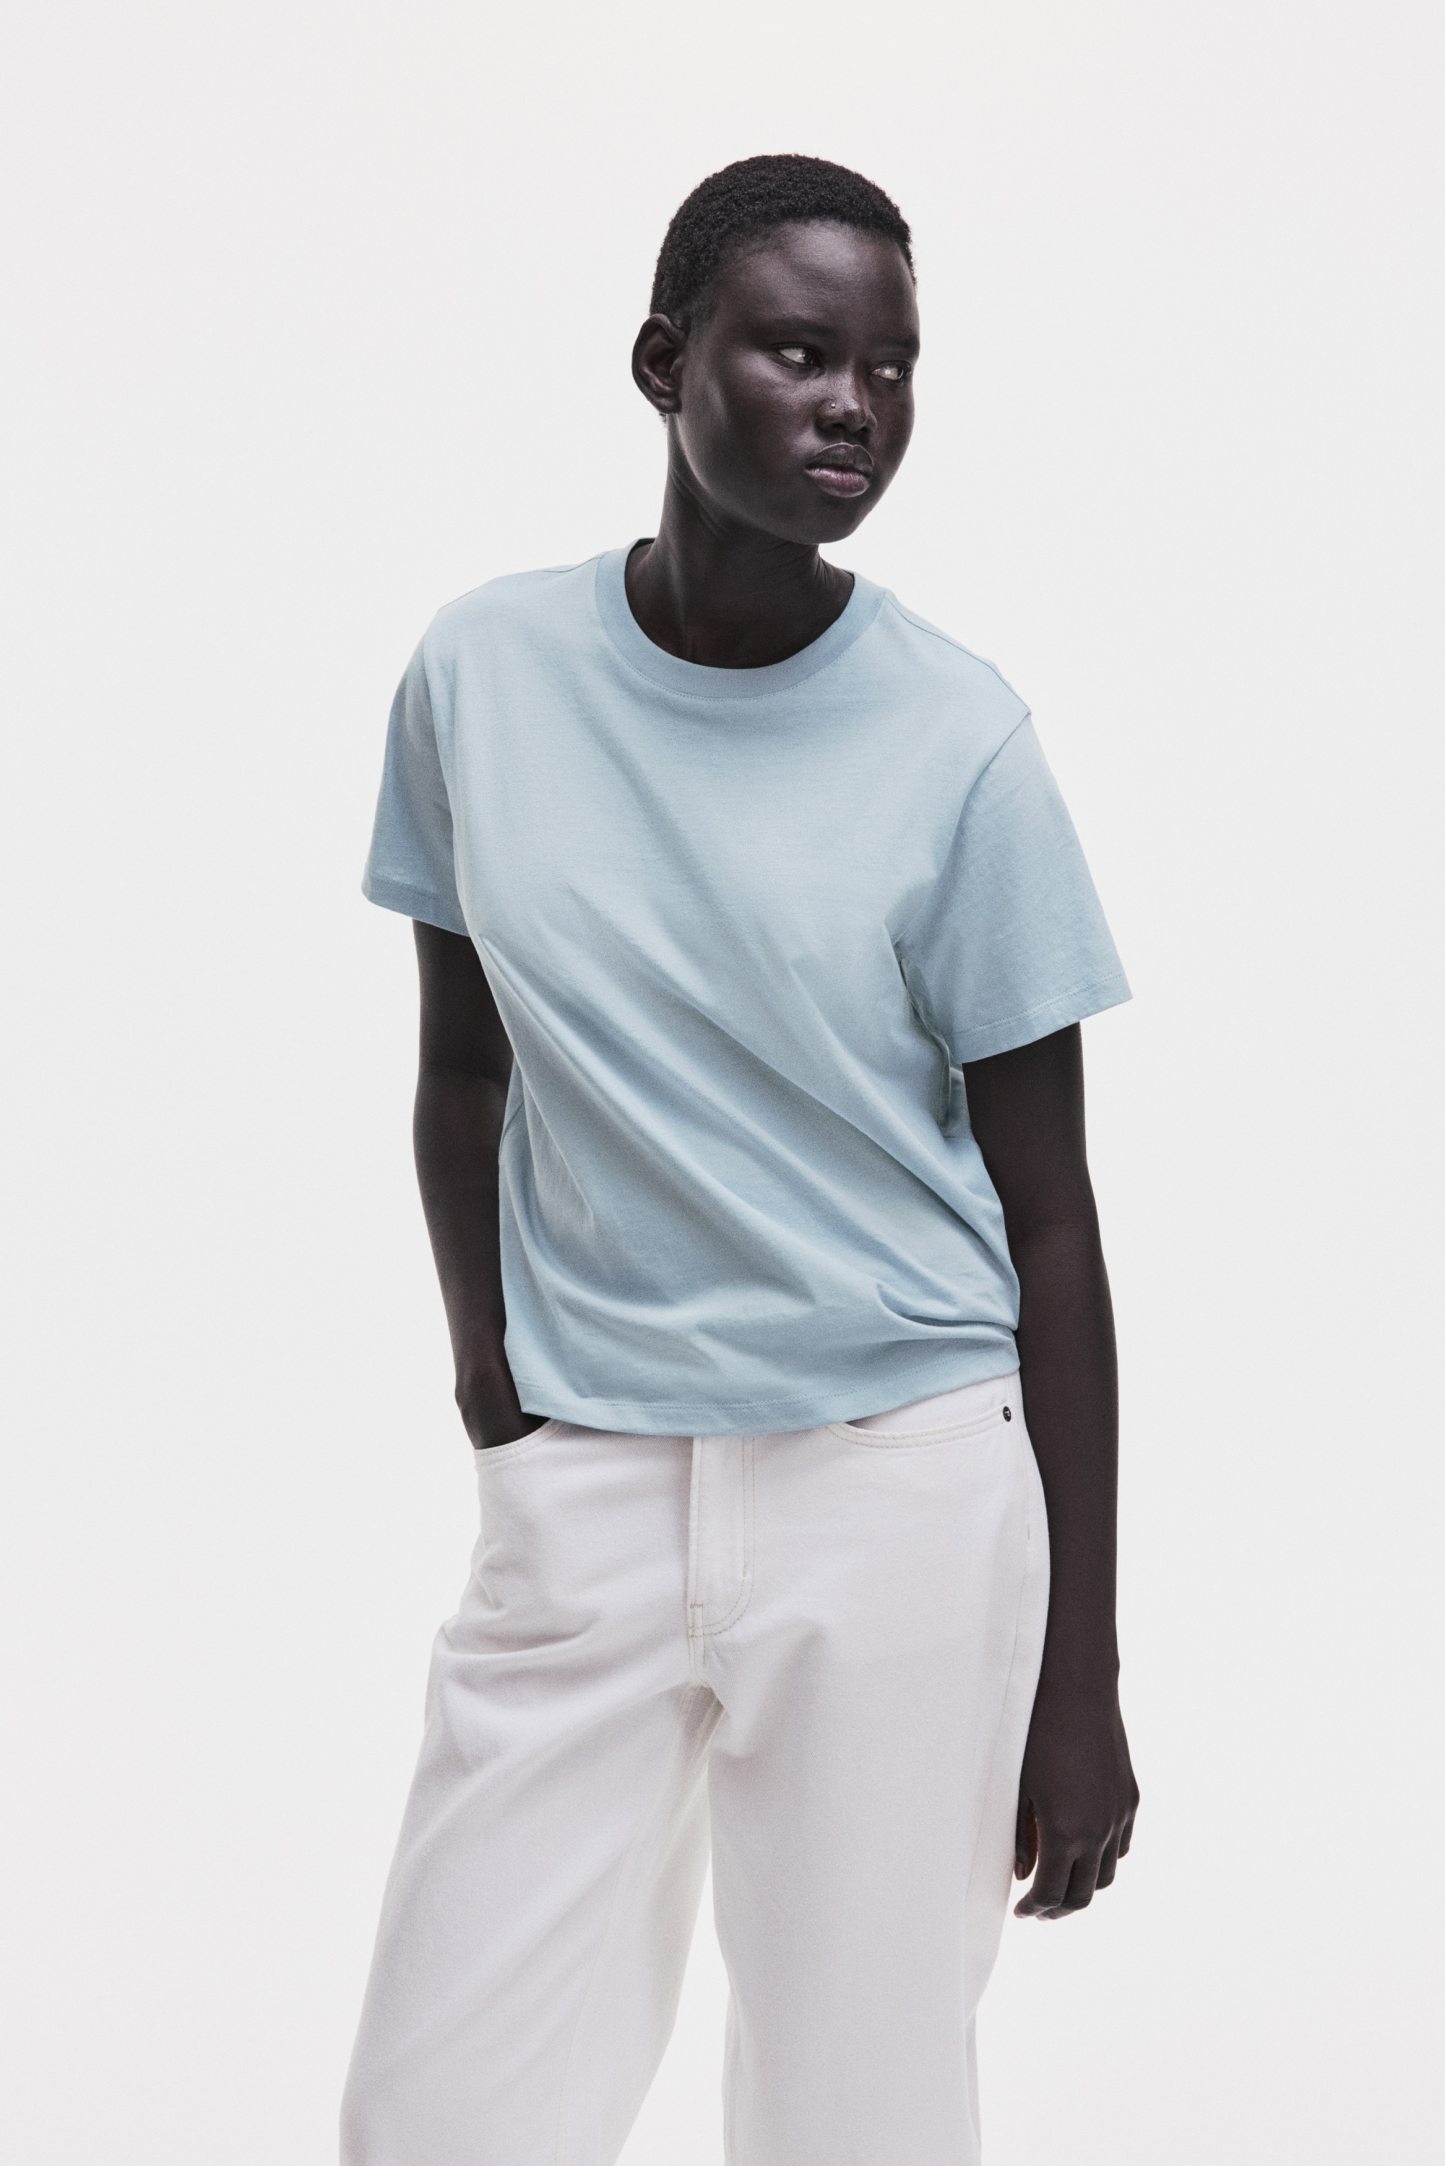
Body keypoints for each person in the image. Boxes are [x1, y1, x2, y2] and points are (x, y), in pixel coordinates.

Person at [340, 151, 1139, 2166]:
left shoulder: (961, 744)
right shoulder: (481, 676)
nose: (854, 405)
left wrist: (1080, 1679)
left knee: (857, 2123)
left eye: (893, 366)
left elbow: (1051, 1224)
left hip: (897, 1493)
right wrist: (496, 1391)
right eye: (799, 353)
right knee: (438, 2115)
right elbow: (463, 1069)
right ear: (663, 362)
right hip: (588, 1491)